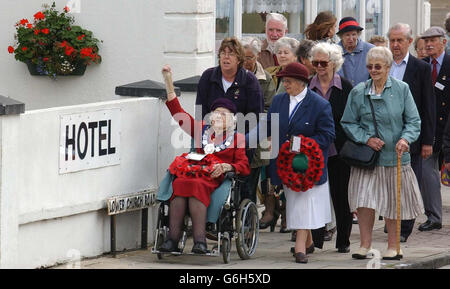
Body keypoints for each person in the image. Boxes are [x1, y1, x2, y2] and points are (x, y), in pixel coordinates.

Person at [341, 46, 423, 260]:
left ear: (388, 67)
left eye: (378, 66)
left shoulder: (401, 89)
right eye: (370, 66)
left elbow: (413, 121)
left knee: (392, 202)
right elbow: (348, 122)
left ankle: (394, 246)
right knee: (364, 201)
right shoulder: (359, 91)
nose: (374, 70)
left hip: (394, 158)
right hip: (367, 159)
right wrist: (365, 139)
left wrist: (405, 139)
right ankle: (365, 245)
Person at [160, 65, 251, 254]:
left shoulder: (237, 139)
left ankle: (200, 241)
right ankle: (172, 239)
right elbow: (178, 113)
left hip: (215, 177)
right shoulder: (201, 129)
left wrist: (227, 166)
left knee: (196, 186)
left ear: (233, 119)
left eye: (223, 114)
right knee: (180, 184)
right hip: (194, 171)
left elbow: (244, 166)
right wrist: (168, 81)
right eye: (216, 113)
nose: (218, 116)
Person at [266, 62, 335, 263]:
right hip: (285, 164)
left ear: (301, 83)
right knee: (295, 203)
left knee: (304, 204)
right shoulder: (279, 101)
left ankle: (300, 247)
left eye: (288, 81)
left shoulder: (320, 104)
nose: (284, 84)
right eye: (283, 81)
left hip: (308, 165)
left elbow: (327, 135)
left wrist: (301, 144)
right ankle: (309, 241)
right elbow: (268, 127)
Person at [387, 23, 435, 242]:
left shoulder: (421, 68)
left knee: (407, 182)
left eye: (400, 40)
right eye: (392, 40)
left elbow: (428, 106)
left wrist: (427, 141)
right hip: (386, 136)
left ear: (409, 41)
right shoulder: (382, 64)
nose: (395, 45)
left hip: (412, 137)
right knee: (388, 183)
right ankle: (392, 223)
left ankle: (404, 228)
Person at [309, 42, 353, 253]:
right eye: (315, 62)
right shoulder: (308, 87)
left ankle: (343, 240)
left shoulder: (346, 87)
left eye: (323, 62)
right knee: (315, 195)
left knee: (340, 195)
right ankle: (315, 240)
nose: (319, 66)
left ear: (334, 63)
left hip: (339, 150)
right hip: (313, 150)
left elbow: (352, 119)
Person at [419, 26, 450, 232]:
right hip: (429, 130)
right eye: (426, 40)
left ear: (444, 42)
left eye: (433, 40)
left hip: (449, 127)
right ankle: (434, 216)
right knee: (426, 174)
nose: (429, 44)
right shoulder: (421, 66)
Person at [240, 36, 276, 204]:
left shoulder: (265, 79)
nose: (245, 62)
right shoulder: (231, 75)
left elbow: (269, 109)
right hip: (232, 136)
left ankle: (247, 224)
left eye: (249, 57)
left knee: (250, 183)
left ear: (257, 56)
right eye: (242, 57)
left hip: (255, 136)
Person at [195, 37, 264, 121]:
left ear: (239, 59)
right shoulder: (208, 77)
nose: (226, 57)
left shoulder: (250, 80)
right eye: (223, 53)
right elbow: (200, 112)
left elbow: (255, 117)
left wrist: (234, 131)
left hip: (241, 132)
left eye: (231, 54)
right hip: (211, 131)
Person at [336, 17, 375, 86]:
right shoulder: (334, 51)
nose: (351, 39)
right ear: (341, 36)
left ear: (358, 34)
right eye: (347, 35)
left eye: (353, 34)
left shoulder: (371, 50)